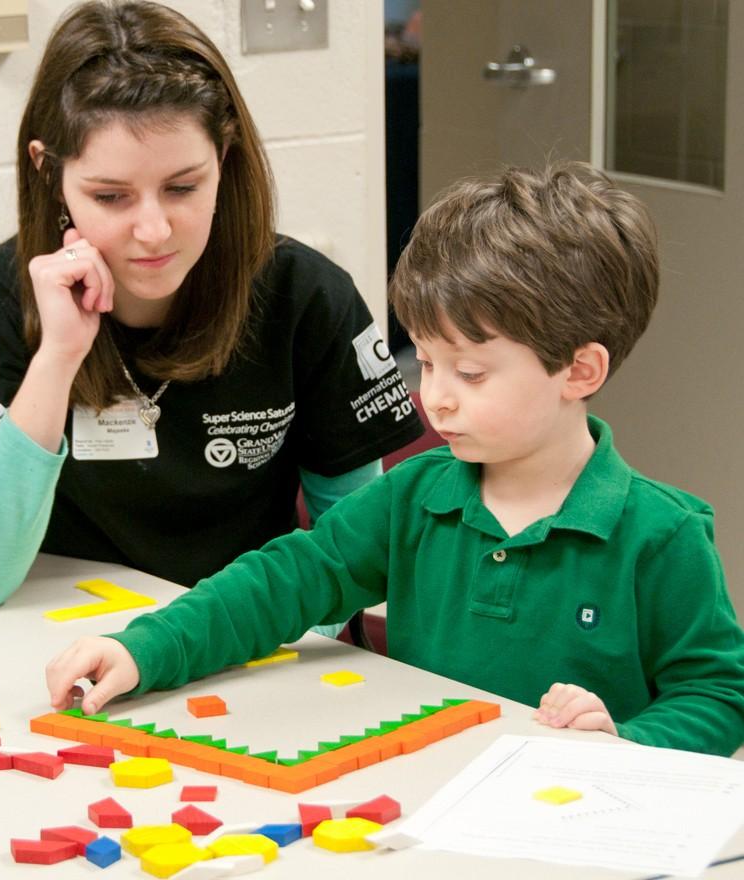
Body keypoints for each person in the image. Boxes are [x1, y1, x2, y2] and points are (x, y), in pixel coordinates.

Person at [44, 162, 744, 757]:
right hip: (424, 809)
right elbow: (286, 580)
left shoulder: (662, 536)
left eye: (469, 374)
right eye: (427, 362)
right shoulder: (413, 498)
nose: (432, 399)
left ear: (579, 371)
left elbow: (717, 692)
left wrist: (623, 747)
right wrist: (148, 648)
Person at [0, 1, 423, 611]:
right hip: (61, 646)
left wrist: (199, 643)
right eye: (111, 196)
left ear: (225, 160)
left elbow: (360, 558)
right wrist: (58, 358)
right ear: (49, 171)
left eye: (183, 187)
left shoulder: (305, 294)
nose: (153, 230)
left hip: (242, 635)